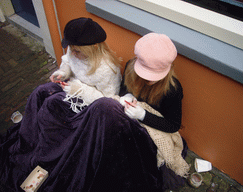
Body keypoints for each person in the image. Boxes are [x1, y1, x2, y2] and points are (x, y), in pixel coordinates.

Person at [119, 32, 189, 191]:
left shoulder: (172, 89)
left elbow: (173, 125)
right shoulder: (131, 66)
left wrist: (143, 115)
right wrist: (126, 96)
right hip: (130, 122)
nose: (146, 78)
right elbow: (123, 89)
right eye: (143, 71)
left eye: (152, 75)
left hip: (152, 130)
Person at [50, 17, 122, 112]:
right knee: (42, 93)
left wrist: (79, 90)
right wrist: (63, 72)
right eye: (71, 49)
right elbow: (68, 61)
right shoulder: (74, 48)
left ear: (93, 48)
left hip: (89, 106)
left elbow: (107, 100)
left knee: (51, 107)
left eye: (77, 51)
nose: (72, 53)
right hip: (71, 89)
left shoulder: (106, 69)